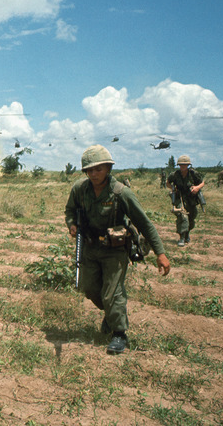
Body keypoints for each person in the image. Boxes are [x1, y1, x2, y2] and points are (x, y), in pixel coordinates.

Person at [65, 145, 171, 355]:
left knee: (112, 293)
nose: (94, 174)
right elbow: (70, 210)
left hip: (115, 250)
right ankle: (113, 313)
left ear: (108, 168)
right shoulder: (80, 189)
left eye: (99, 169)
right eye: (90, 170)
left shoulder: (121, 193)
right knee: (90, 289)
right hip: (89, 247)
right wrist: (71, 224)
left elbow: (145, 223)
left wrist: (160, 253)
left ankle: (119, 333)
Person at [166, 155, 205, 246]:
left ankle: (187, 234)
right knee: (182, 216)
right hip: (180, 198)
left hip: (191, 198)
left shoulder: (193, 174)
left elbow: (202, 182)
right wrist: (172, 188)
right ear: (179, 165)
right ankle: (182, 238)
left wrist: (197, 188)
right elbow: (168, 182)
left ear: (188, 165)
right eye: (181, 165)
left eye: (185, 164)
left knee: (191, 217)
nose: (183, 166)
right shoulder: (174, 174)